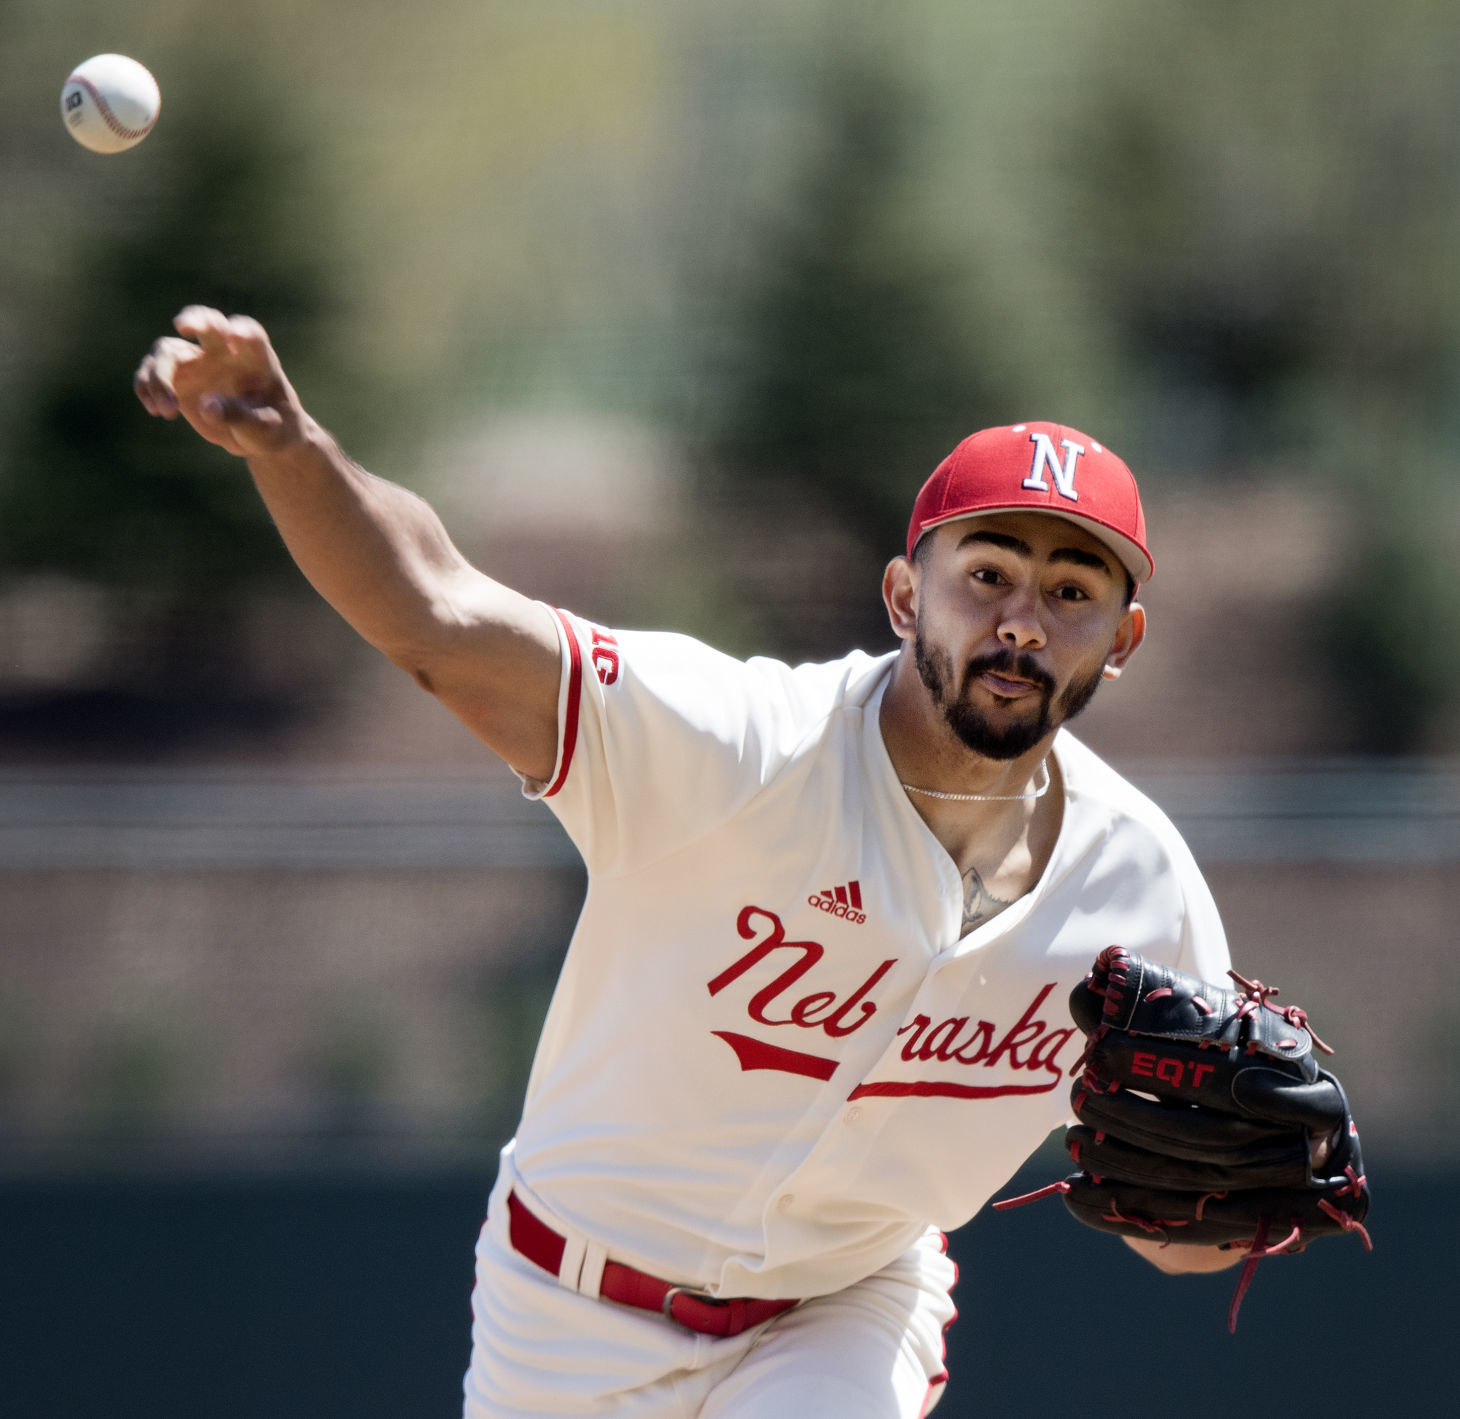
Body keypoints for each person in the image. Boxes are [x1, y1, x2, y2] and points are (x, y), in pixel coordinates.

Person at [134, 308, 1244, 1418]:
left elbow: (1185, 1243)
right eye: (988, 572)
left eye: (1069, 592)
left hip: (840, 1312)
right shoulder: (736, 746)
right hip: (565, 1311)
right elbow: (440, 615)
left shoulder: (1139, 890)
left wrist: (1228, 1200)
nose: (1019, 622)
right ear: (905, 595)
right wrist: (289, 447)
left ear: (1122, 639)